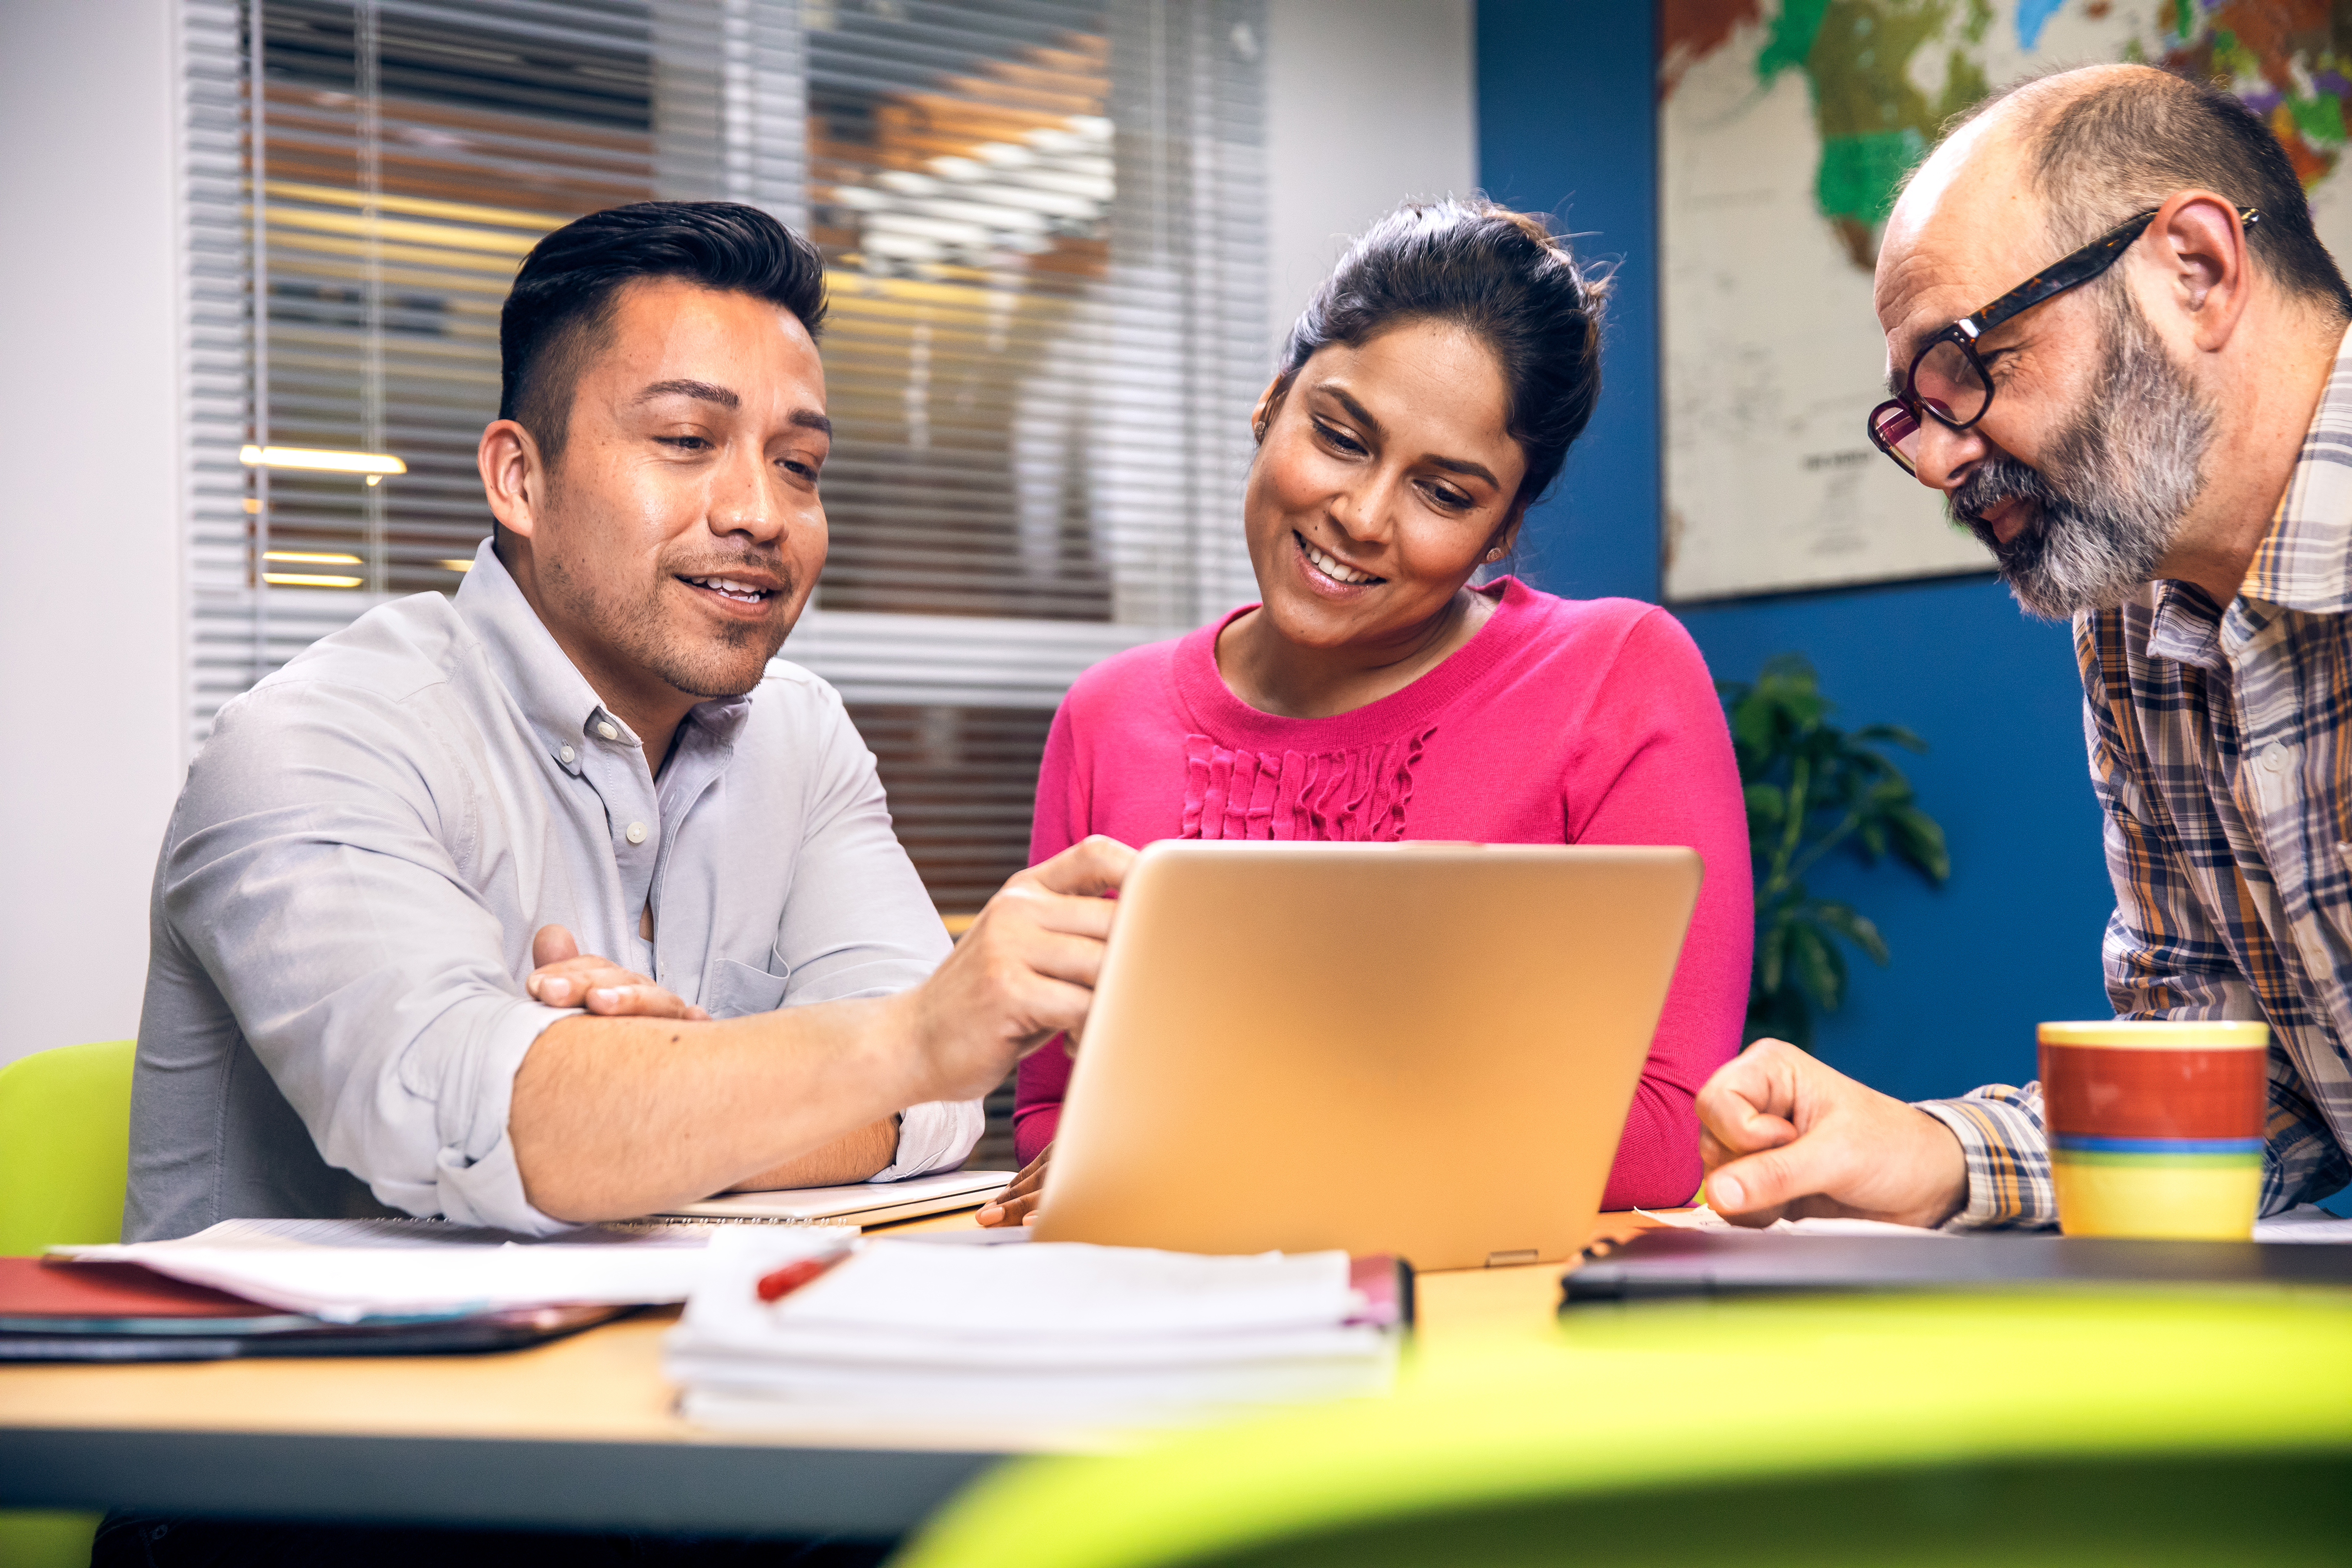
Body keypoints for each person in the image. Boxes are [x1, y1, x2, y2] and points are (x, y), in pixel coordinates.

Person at [125, 202, 1132, 1243]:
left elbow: (935, 1109)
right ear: (521, 478)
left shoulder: (803, 732)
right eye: (688, 440)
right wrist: (865, 1054)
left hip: (651, 1366)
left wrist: (649, 1096)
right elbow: (484, 1125)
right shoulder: (313, 742)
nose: (760, 512)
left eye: (800, 465)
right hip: (287, 1391)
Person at [978, 198, 1754, 1227]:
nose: (1363, 515)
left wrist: (1213, 1143)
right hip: (1172, 1319)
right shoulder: (1106, 715)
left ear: (1501, 533)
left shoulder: (1618, 675)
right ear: (1271, 401)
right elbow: (1053, 1118)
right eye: (1342, 437)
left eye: (1445, 494)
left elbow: (1663, 1130)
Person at [1697, 64, 2352, 1229]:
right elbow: (2244, 1098)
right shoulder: (2135, 623)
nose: (1945, 463)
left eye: (1967, 369)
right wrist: (1938, 1150)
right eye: (1914, 410)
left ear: (2195, 272)